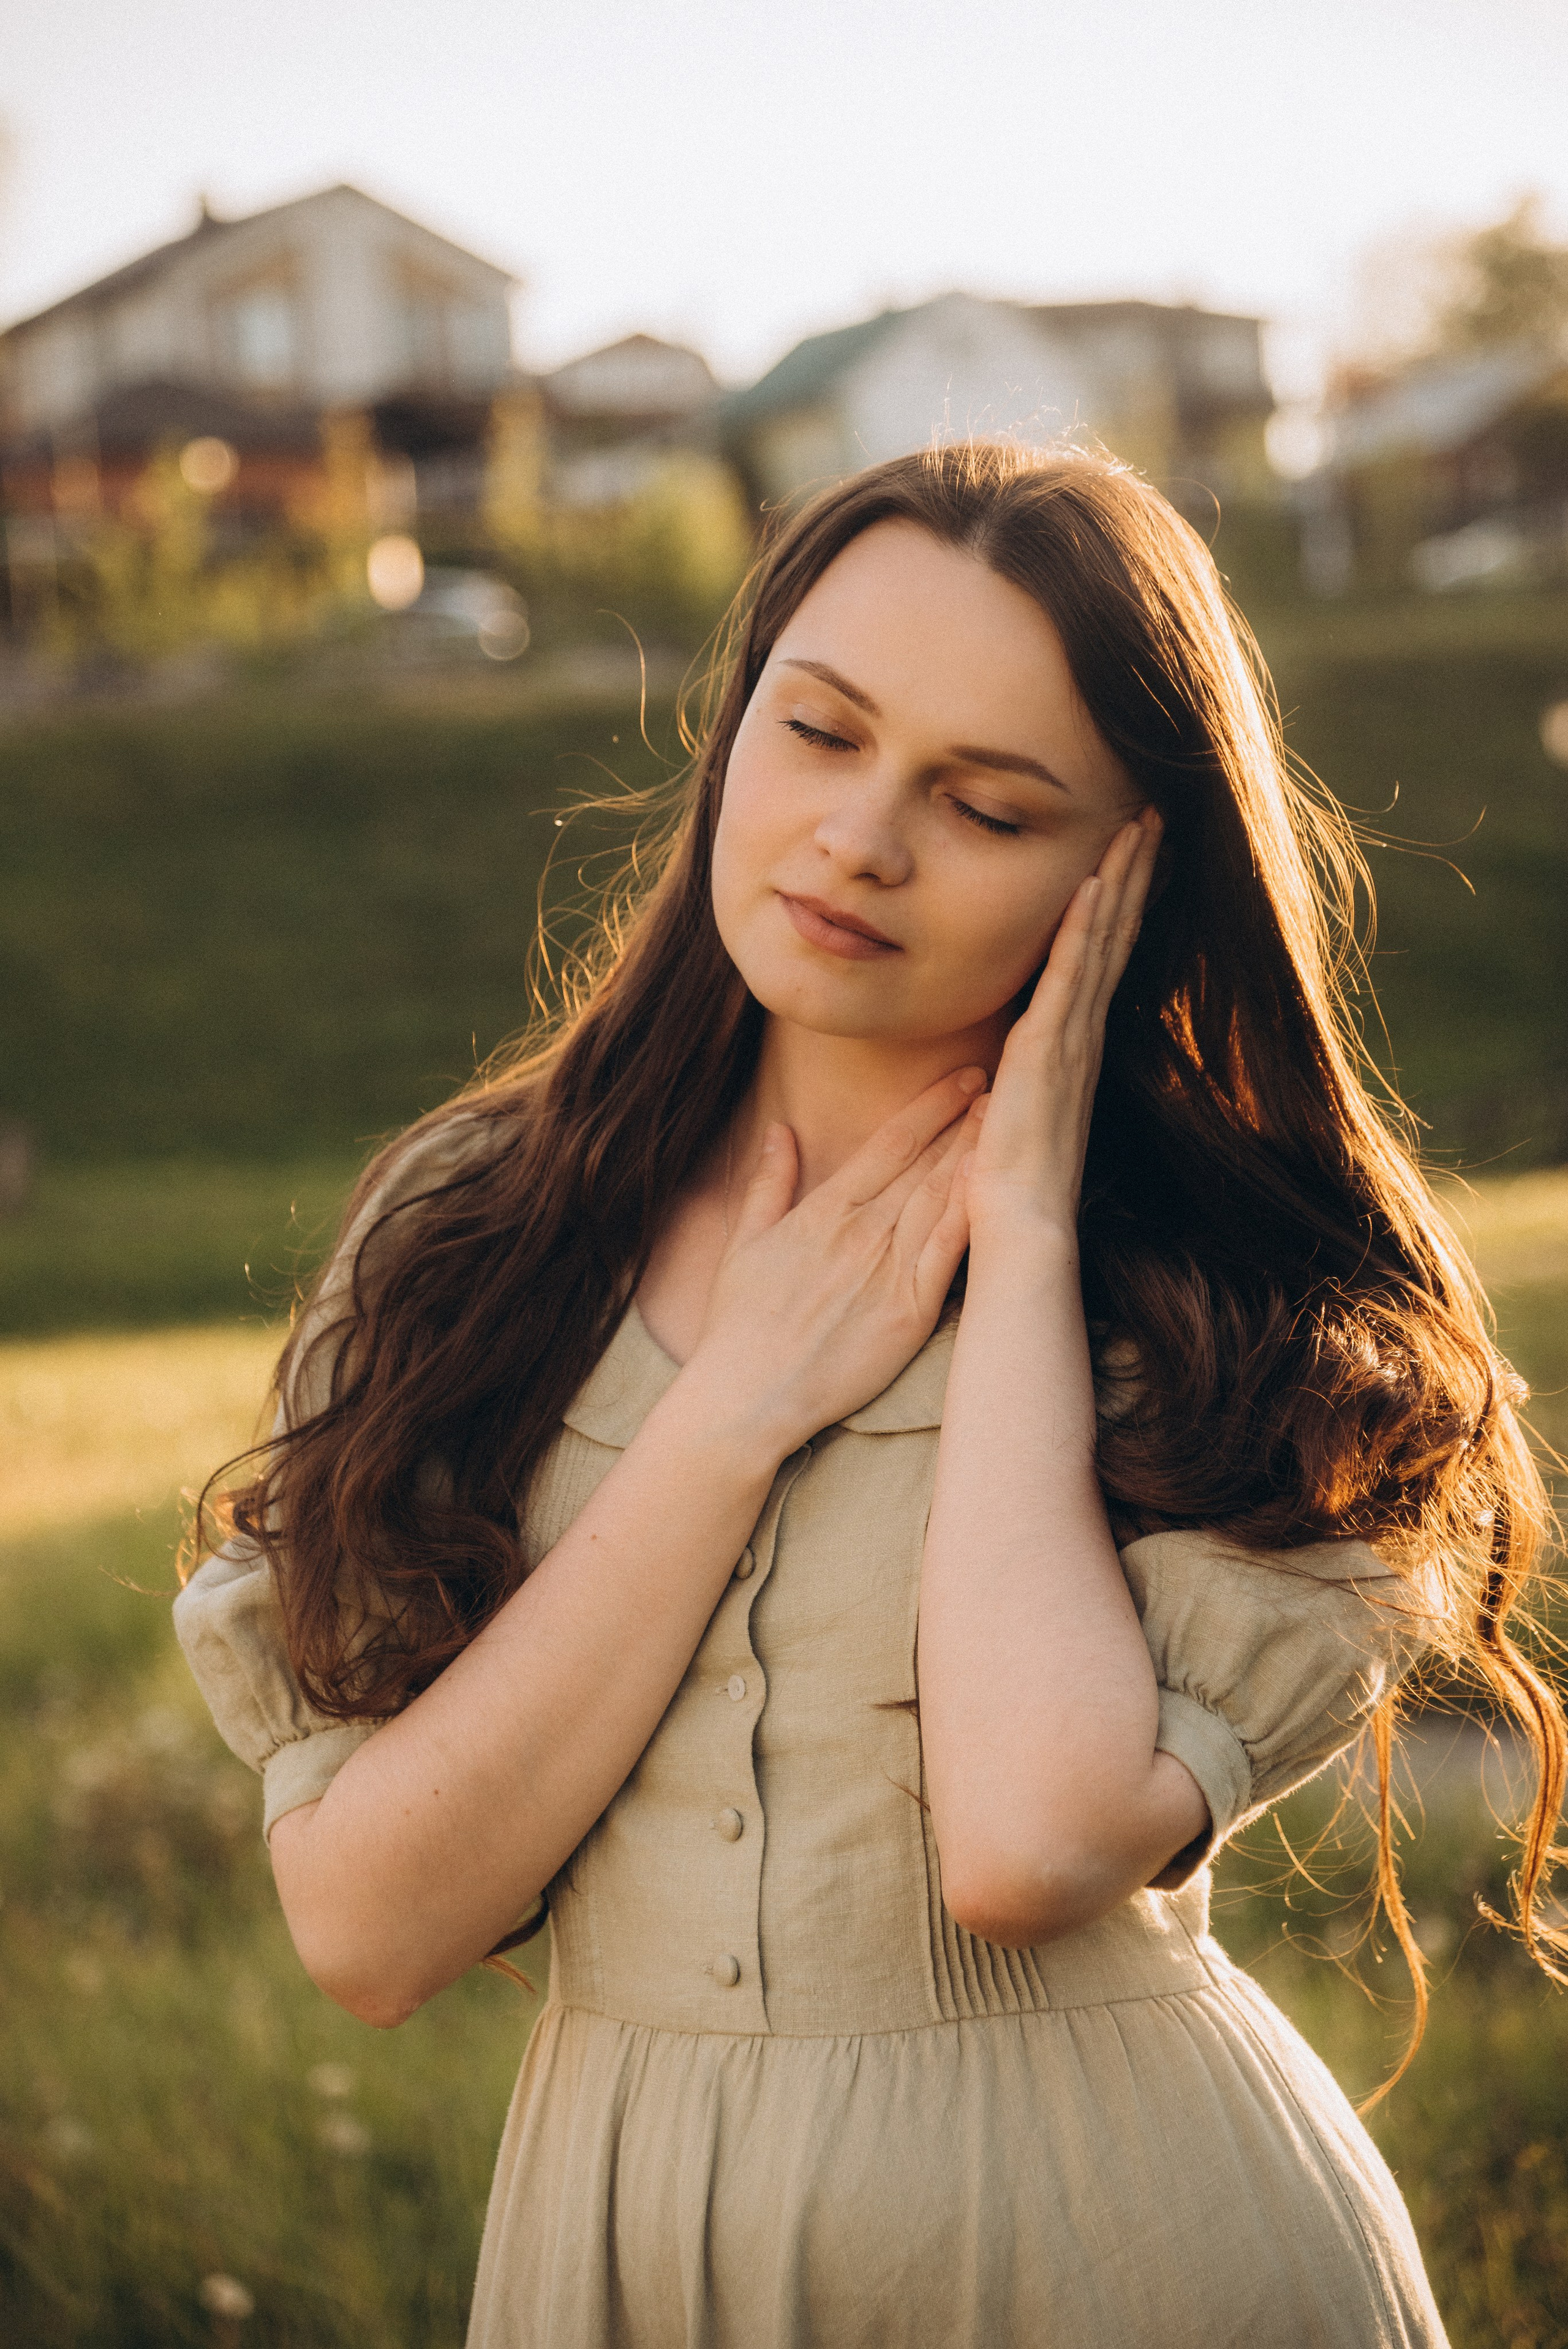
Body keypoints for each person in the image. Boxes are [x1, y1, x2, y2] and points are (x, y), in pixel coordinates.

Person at [176, 444, 1562, 2348]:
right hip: (622, 2261)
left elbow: (1025, 1840)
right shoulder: (468, 1239)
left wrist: (1023, 1238)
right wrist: (740, 1396)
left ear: (1130, 872)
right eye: (819, 731)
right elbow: (370, 1928)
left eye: (988, 805)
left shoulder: (1253, 1320)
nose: (858, 839)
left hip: (1138, 2260)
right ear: (736, 723)